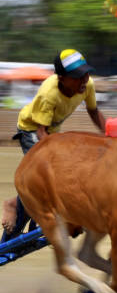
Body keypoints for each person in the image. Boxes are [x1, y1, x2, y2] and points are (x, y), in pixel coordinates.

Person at [1, 49, 106, 237]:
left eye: (86, 73)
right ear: (61, 78)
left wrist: (109, 134)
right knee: (44, 175)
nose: (84, 80)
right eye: (77, 76)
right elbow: (41, 131)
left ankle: (42, 213)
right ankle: (12, 205)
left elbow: (93, 111)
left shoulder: (87, 85)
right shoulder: (49, 94)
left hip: (52, 132)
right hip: (31, 129)